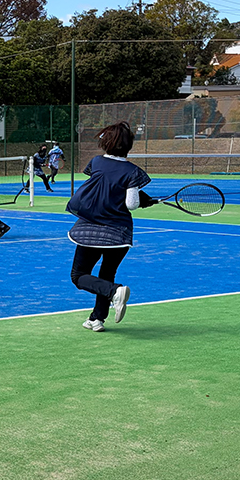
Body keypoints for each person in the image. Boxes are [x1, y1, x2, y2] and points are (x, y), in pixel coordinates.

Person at [64, 121, 155, 332]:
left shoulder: (96, 162)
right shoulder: (132, 171)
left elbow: (103, 186)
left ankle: (114, 292)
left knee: (79, 276)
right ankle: (97, 318)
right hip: (119, 234)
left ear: (106, 142)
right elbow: (131, 203)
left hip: (90, 230)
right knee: (107, 274)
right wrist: (144, 200)